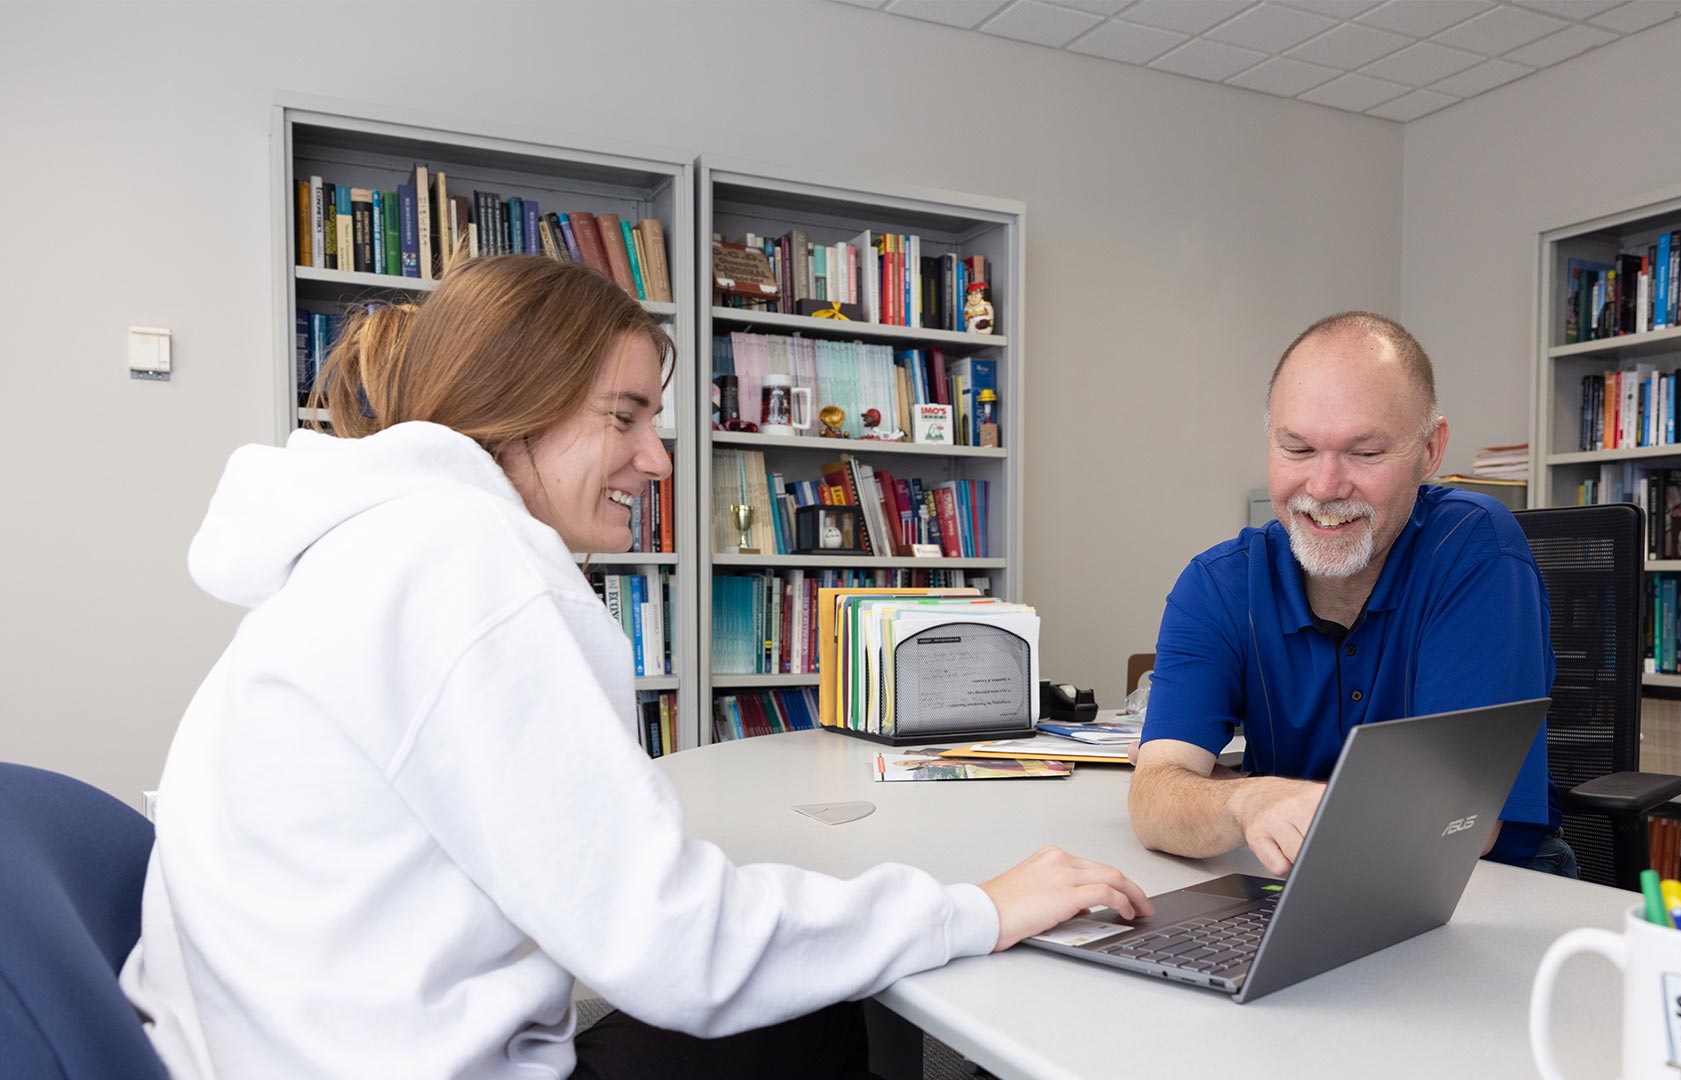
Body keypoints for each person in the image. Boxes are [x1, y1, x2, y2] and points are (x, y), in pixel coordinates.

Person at [119, 255, 1151, 1079]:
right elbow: (677, 947)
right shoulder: (471, 562)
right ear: (510, 403)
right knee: (816, 1019)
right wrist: (976, 906)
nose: (658, 459)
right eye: (623, 417)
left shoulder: (372, 544)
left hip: (269, 1045)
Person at [1127, 311, 1573, 879]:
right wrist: (1246, 801)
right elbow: (1154, 801)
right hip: (1294, 885)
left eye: (1365, 453)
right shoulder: (1218, 584)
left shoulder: (1473, 547)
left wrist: (1215, 790)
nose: (1325, 488)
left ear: (1431, 451)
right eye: (1298, 449)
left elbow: (1457, 824)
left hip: (1481, 891)